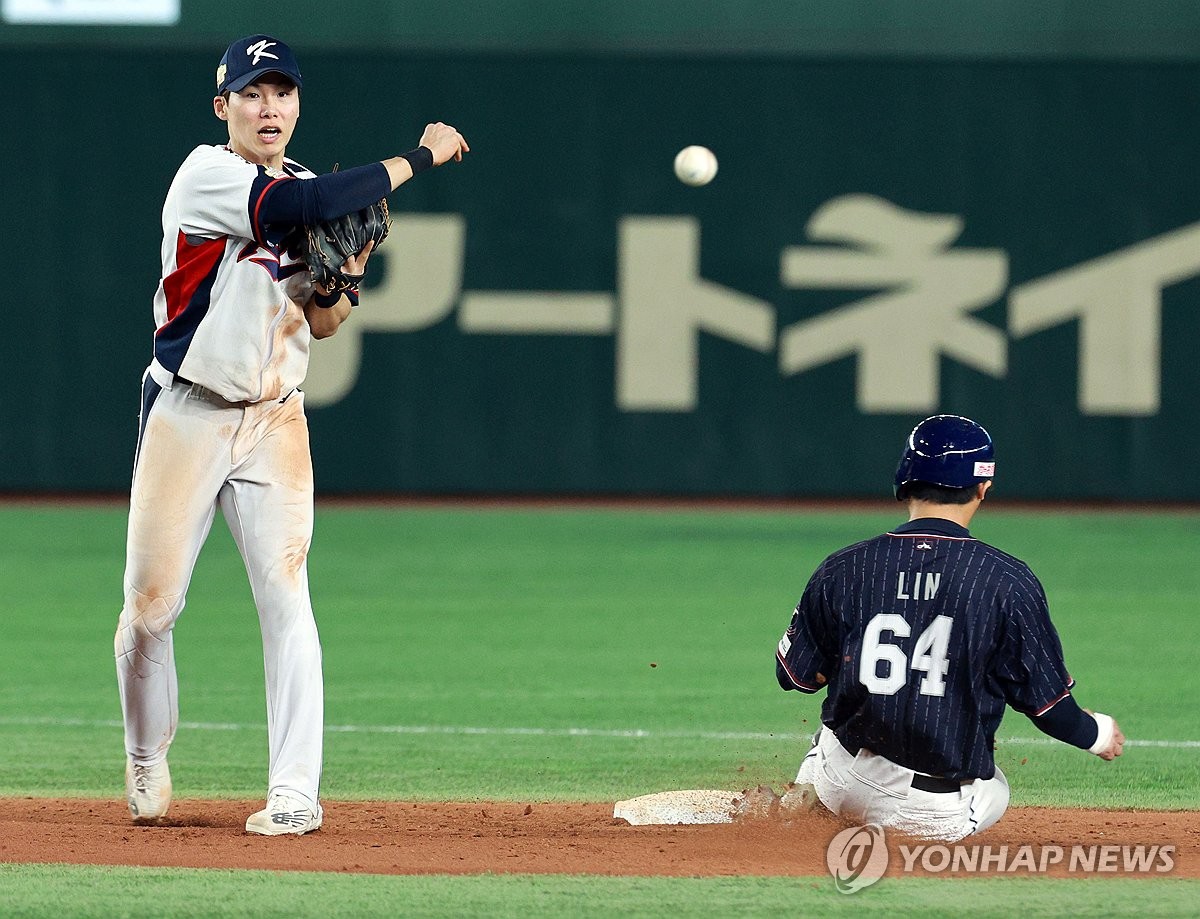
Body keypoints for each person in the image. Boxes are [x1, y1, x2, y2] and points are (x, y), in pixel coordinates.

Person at [114, 34, 469, 836]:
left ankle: (295, 792)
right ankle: (145, 752)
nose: (268, 107)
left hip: (275, 418)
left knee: (287, 595)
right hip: (188, 412)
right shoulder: (207, 176)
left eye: (281, 93)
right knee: (148, 609)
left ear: (297, 105)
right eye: (252, 93)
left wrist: (341, 280)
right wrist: (418, 156)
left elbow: (325, 320)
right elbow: (296, 211)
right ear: (223, 107)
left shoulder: (314, 187)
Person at [775, 414, 1124, 841]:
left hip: (840, 779)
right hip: (924, 812)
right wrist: (1098, 734)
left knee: (832, 730)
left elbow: (796, 677)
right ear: (982, 488)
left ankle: (812, 800)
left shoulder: (844, 566)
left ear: (904, 480)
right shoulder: (1007, 581)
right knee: (995, 785)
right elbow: (1050, 712)